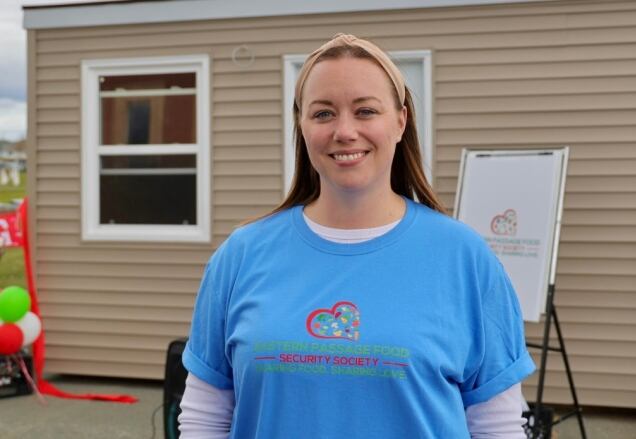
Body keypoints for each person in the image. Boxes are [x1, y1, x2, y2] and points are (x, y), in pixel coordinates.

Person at [179, 33, 536, 439]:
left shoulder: (465, 258)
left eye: (365, 111)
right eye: (323, 113)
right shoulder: (241, 254)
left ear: (400, 121)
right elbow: (205, 418)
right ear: (302, 124)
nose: (345, 131)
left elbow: (498, 427)